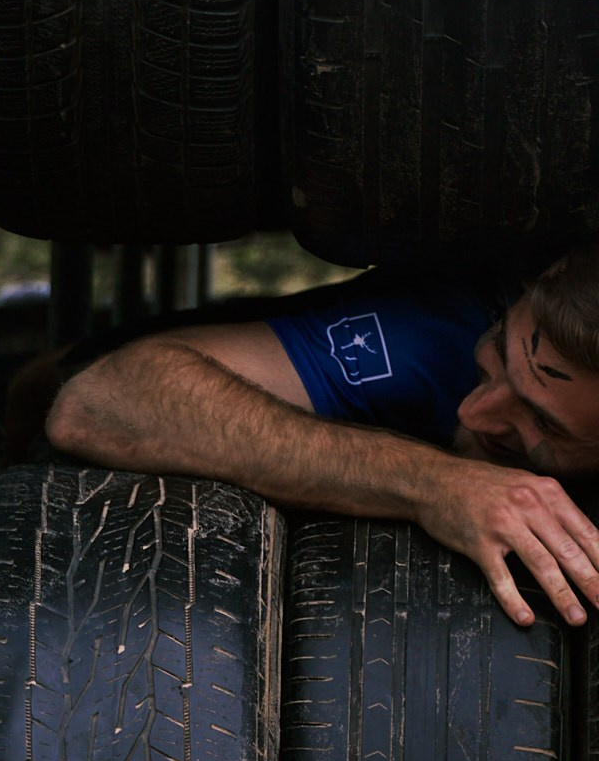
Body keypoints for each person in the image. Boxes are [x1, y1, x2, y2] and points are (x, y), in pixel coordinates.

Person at [43, 245, 599, 627]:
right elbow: (96, 403)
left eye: (543, 422)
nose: (475, 413)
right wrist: (435, 482)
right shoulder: (421, 343)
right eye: (498, 354)